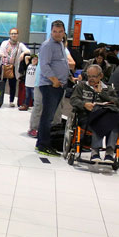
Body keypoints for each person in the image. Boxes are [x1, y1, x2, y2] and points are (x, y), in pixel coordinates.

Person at [70, 64, 119, 163]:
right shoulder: (82, 86)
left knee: (115, 123)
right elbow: (73, 99)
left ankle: (109, 153)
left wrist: (102, 94)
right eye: (89, 76)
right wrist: (84, 104)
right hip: (86, 117)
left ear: (101, 76)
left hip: (106, 116)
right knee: (98, 120)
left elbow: (118, 102)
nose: (91, 79)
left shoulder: (108, 88)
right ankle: (95, 152)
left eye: (94, 76)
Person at [35, 20, 69, 156]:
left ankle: (41, 143)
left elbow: (60, 63)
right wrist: (54, 80)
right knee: (47, 116)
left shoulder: (60, 44)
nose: (57, 34)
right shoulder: (47, 45)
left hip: (58, 85)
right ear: (51, 31)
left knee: (50, 116)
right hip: (50, 85)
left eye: (60, 31)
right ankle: (43, 145)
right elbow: (44, 66)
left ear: (64, 32)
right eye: (55, 31)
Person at [0, 28, 30, 107]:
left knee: (13, 85)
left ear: (17, 35)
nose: (13, 35)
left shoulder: (20, 45)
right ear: (9, 35)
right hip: (4, 66)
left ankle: (11, 101)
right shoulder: (4, 43)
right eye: (12, 33)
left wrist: (23, 54)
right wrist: (3, 55)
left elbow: (28, 51)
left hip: (13, 68)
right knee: (1, 84)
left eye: (15, 33)